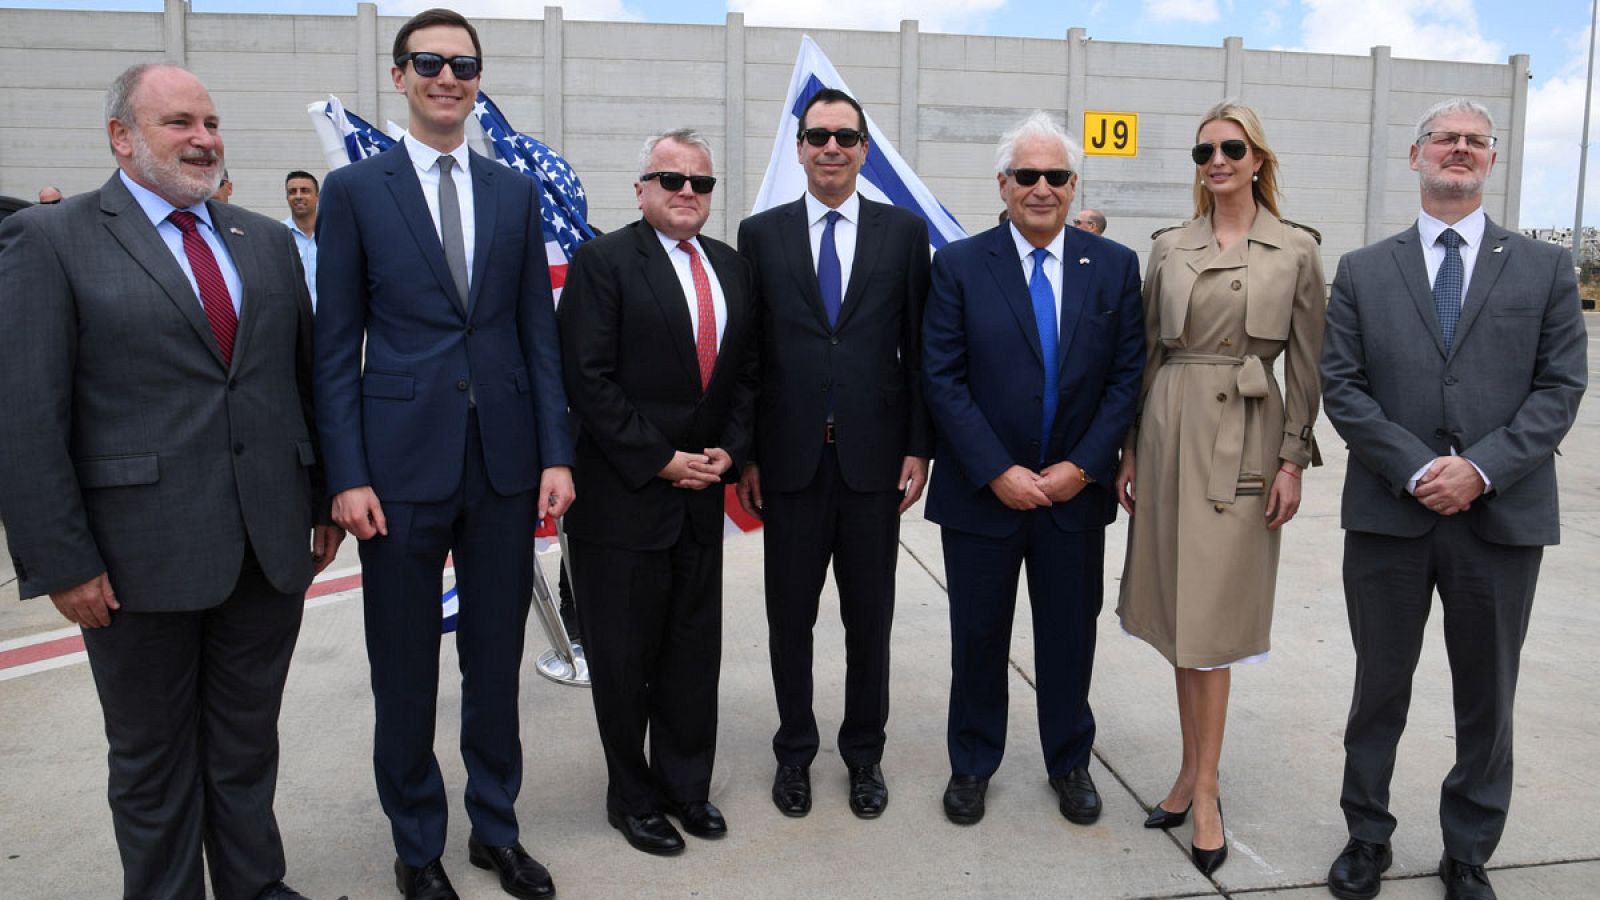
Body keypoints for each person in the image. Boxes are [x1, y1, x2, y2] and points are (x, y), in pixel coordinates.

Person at [0, 63, 340, 900]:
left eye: (212, 122)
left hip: (266, 550)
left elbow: (302, 383)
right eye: (179, 122)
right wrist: (62, 559)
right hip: (133, 562)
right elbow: (25, 412)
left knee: (246, 745)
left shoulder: (263, 240)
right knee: (153, 762)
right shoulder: (52, 240)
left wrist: (321, 497)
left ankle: (256, 887)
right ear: (122, 136)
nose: (204, 138)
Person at [313, 8, 575, 900]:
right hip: (396, 472)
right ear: (400, 76)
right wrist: (344, 475)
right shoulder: (355, 191)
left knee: (494, 663)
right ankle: (418, 847)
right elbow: (334, 345)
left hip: (502, 467)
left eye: (463, 64)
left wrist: (555, 452)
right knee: (406, 670)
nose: (447, 76)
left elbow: (536, 332)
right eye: (428, 62)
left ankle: (494, 831)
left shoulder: (511, 190)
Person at [1320, 97, 1587, 900]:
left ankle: (1467, 849)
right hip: (1389, 518)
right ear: (1415, 156)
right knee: (1379, 688)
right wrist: (1417, 469)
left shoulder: (1543, 269)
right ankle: (1367, 835)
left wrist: (1480, 469)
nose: (1460, 150)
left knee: (1487, 692)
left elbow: (1560, 387)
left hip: (1501, 517)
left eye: (1475, 141)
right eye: (1445, 138)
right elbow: (1343, 386)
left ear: (1493, 160)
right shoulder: (1365, 269)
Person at [1113, 101, 1326, 875]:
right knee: (1179, 619)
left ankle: (1204, 793)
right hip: (1171, 433)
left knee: (1215, 620)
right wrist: (1131, 447)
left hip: (1246, 438)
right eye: (1204, 150)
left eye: (1232, 148)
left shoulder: (1296, 249)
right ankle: (1188, 772)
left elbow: (1306, 364)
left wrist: (1294, 459)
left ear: (1259, 158)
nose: (1216, 161)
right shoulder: (1169, 246)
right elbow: (1142, 353)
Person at [922, 110, 1143, 827]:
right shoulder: (958, 264)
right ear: (1004, 183)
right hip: (984, 496)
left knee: (1068, 637)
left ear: (1074, 185)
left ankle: (1069, 761)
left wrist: (1083, 467)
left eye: (1056, 176)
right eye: (1028, 175)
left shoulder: (1112, 265)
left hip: (1073, 497)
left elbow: (1126, 377)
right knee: (978, 638)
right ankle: (972, 764)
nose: (1042, 188)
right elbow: (942, 378)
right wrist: (997, 471)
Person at [735, 87, 933, 820]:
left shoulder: (903, 234)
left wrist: (919, 446)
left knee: (868, 619)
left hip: (872, 467)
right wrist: (748, 452)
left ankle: (863, 757)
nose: (831, 149)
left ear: (864, 150)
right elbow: (749, 355)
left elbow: (918, 350)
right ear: (799, 147)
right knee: (790, 619)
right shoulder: (761, 234)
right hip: (787, 466)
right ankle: (794, 754)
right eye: (818, 136)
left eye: (845, 137)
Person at [560, 128, 758, 857]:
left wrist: (730, 453)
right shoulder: (603, 262)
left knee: (689, 655)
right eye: (670, 179)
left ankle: (685, 787)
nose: (686, 193)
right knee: (622, 661)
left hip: (703, 500)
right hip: (623, 502)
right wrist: (661, 458)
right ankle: (632, 796)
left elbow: (746, 376)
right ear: (640, 188)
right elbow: (587, 379)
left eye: (700, 184)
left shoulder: (733, 269)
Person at [282, 170, 319, 310]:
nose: (298, 196)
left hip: (331, 321)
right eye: (292, 191)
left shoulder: (334, 235)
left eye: (305, 191)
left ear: (317, 196)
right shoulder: (276, 236)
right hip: (294, 323)